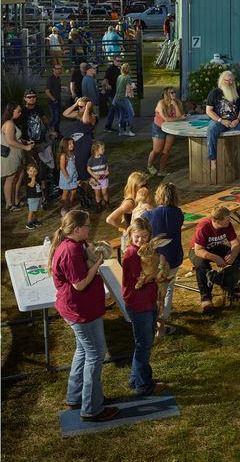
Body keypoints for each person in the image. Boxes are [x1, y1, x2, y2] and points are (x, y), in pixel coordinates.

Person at [49, 210, 119, 422]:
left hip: (80, 309)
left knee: (83, 350)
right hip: (80, 312)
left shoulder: (75, 245)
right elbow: (79, 284)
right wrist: (97, 263)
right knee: (95, 354)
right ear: (77, 229)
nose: (90, 228)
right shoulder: (70, 251)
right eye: (87, 225)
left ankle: (76, 396)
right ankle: (91, 408)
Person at [121, 217, 169, 397]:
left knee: (143, 343)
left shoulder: (145, 251)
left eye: (145, 237)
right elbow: (142, 279)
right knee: (144, 345)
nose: (141, 241)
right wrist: (160, 269)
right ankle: (144, 386)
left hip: (148, 301)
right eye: (137, 237)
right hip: (138, 304)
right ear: (131, 235)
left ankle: (136, 380)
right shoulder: (134, 254)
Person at [141, 182, 184, 337]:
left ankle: (155, 322)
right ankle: (161, 322)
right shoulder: (178, 213)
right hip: (174, 256)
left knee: (153, 290)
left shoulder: (148, 215)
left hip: (156, 260)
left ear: (158, 196)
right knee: (168, 290)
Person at [189, 205, 240, 313]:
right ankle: (206, 298)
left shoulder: (228, 225)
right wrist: (216, 258)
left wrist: (232, 254)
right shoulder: (204, 226)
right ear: (216, 220)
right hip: (199, 250)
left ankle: (234, 290)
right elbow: (198, 250)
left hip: (215, 247)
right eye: (227, 219)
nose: (229, 221)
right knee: (202, 266)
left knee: (239, 256)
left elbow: (236, 243)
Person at [205, 70, 240, 170]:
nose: (230, 83)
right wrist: (221, 121)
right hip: (219, 121)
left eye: (232, 81)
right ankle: (213, 159)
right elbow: (209, 111)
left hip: (236, 120)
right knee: (211, 130)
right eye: (227, 81)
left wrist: (238, 119)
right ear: (222, 81)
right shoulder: (214, 93)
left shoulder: (237, 92)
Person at [147, 87, 187, 176]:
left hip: (171, 129)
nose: (174, 94)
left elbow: (180, 116)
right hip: (159, 127)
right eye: (171, 92)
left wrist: (175, 105)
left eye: (174, 92)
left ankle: (162, 171)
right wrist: (180, 118)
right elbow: (166, 119)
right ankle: (149, 165)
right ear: (166, 94)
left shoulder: (178, 102)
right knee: (157, 150)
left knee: (166, 151)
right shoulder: (161, 103)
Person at [106, 171, 149, 250]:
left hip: (137, 237)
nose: (145, 188)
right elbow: (110, 219)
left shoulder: (138, 198)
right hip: (131, 240)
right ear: (134, 187)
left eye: (146, 185)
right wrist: (127, 227)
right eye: (142, 186)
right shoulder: (130, 203)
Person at [2, 104, 33, 212]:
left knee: (19, 177)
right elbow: (10, 141)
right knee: (10, 179)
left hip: (16, 155)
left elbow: (15, 139)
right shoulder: (9, 124)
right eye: (18, 111)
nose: (20, 113)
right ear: (12, 111)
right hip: (10, 156)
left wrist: (24, 142)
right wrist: (26, 147)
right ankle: (9, 204)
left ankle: (15, 200)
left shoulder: (13, 123)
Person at [62, 97, 97, 183]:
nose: (79, 108)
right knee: (77, 162)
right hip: (77, 141)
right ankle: (81, 181)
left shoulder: (93, 116)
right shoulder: (78, 114)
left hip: (86, 141)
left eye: (81, 106)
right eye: (79, 106)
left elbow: (85, 121)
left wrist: (87, 108)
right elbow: (65, 114)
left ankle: (87, 181)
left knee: (84, 161)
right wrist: (75, 104)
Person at [111, 62, 136, 137]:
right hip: (123, 98)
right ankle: (128, 131)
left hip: (117, 99)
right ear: (128, 70)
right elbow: (128, 90)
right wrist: (133, 86)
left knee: (122, 115)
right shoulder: (127, 77)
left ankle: (121, 131)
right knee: (131, 114)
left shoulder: (119, 76)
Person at [87, 141, 110, 211]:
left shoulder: (104, 158)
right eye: (102, 149)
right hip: (95, 180)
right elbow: (88, 169)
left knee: (105, 192)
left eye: (104, 149)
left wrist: (107, 171)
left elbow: (106, 165)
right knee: (97, 193)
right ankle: (99, 205)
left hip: (104, 179)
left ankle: (107, 204)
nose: (104, 150)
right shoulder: (91, 160)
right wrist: (94, 175)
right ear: (96, 150)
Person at [58, 137, 78, 216]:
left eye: (72, 143)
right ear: (65, 145)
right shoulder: (63, 156)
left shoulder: (72, 154)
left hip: (73, 176)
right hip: (66, 177)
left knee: (74, 191)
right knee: (66, 192)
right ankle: (65, 207)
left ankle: (69, 204)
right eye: (69, 143)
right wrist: (67, 177)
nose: (72, 145)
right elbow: (62, 168)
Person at [102, 55, 122, 133]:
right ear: (113, 61)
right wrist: (107, 86)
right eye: (117, 61)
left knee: (116, 110)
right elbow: (105, 80)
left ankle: (110, 126)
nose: (119, 62)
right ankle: (108, 126)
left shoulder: (120, 69)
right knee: (113, 110)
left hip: (118, 93)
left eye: (120, 61)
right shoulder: (110, 70)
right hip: (112, 93)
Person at [45, 63, 64, 137]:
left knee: (58, 118)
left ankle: (57, 133)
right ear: (53, 69)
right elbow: (47, 91)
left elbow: (57, 88)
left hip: (58, 100)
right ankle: (46, 131)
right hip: (53, 102)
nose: (59, 70)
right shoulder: (51, 78)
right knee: (54, 118)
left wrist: (63, 88)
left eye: (60, 68)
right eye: (57, 69)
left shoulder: (58, 78)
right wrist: (54, 99)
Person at [24, 162, 43, 230]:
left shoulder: (37, 178)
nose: (33, 173)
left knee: (36, 210)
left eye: (35, 171)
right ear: (27, 171)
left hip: (38, 196)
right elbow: (32, 185)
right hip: (32, 197)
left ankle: (35, 220)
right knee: (31, 210)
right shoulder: (27, 179)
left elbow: (40, 186)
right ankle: (29, 223)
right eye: (31, 171)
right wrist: (33, 178)